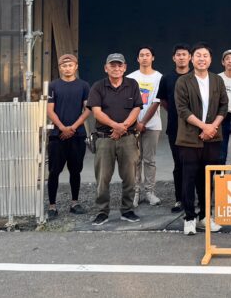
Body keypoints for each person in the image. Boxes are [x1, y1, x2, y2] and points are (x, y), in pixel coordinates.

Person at [174, 43, 229, 235]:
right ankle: (189, 218)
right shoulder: (183, 81)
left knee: (207, 179)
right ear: (191, 58)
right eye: (198, 55)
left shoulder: (217, 80)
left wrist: (213, 126)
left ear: (211, 60)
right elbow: (182, 109)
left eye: (205, 55)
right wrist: (204, 126)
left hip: (212, 138)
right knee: (188, 178)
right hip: (190, 138)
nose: (202, 59)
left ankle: (205, 216)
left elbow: (224, 106)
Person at [87, 53, 143, 226]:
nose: (116, 68)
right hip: (105, 139)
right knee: (103, 178)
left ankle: (127, 210)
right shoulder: (98, 86)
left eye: (120, 65)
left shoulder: (132, 84)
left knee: (130, 177)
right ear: (106, 68)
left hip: (128, 138)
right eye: (113, 65)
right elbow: (96, 112)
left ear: (125, 68)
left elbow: (136, 108)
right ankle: (102, 211)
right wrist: (115, 126)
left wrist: (123, 127)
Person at [46, 53, 91, 219]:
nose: (67, 68)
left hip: (77, 134)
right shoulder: (53, 85)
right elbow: (50, 110)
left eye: (70, 65)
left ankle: (74, 203)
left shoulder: (84, 86)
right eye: (64, 66)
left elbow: (87, 109)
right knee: (54, 171)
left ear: (76, 66)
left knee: (75, 170)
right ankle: (52, 206)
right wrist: (62, 128)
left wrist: (73, 127)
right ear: (60, 68)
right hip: (57, 135)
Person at [157, 43, 191, 214]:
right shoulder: (167, 78)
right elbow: (163, 101)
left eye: (184, 54)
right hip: (174, 128)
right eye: (178, 54)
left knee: (195, 164)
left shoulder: (197, 76)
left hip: (195, 128)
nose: (181, 57)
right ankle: (180, 199)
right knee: (179, 164)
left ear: (190, 57)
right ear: (174, 58)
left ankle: (195, 198)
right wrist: (175, 112)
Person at [128, 45, 163, 208]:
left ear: (153, 57)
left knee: (150, 160)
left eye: (147, 54)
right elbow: (127, 103)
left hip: (152, 125)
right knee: (134, 160)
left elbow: (156, 102)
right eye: (141, 55)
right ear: (137, 59)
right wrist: (135, 123)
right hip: (132, 125)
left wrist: (143, 123)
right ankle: (134, 193)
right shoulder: (130, 78)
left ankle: (150, 192)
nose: (144, 57)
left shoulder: (159, 77)